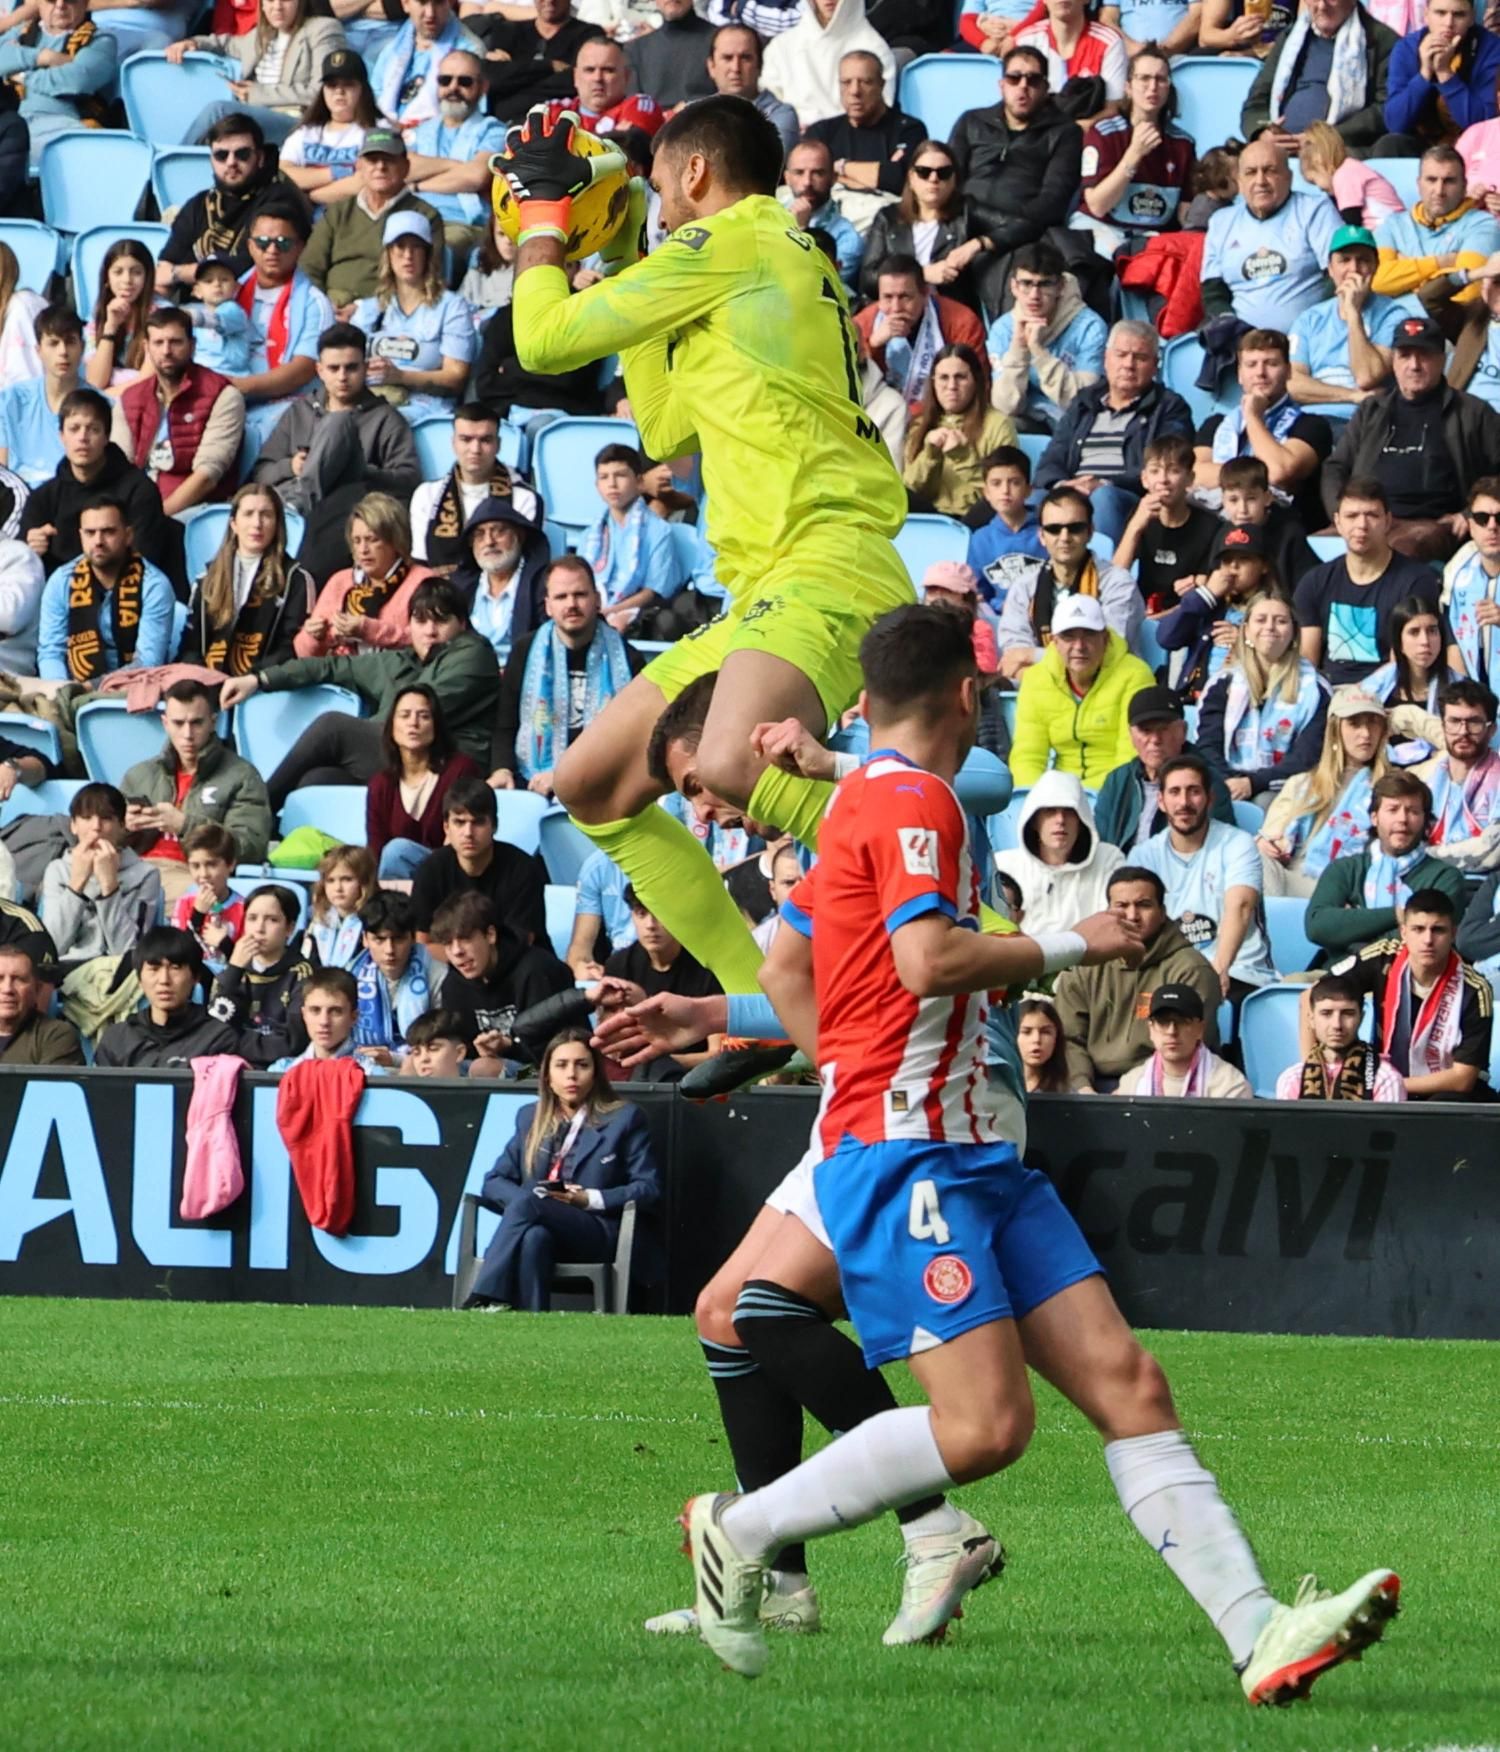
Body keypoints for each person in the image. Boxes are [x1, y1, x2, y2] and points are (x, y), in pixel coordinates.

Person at [678, 603, 1399, 1693]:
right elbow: (926, 960)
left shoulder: (862, 796)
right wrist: (1077, 938)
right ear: (971, 695)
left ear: (869, 707)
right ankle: (742, 1530)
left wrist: (826, 1048)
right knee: (985, 1428)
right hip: (913, 1152)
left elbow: (792, 970)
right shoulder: (909, 796)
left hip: (968, 1148)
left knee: (1128, 1384)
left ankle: (1260, 1635)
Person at [502, 94, 914, 998]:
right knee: (592, 782)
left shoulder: (733, 241)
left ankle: (954, 898)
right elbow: (662, 428)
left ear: (695, 174)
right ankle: (758, 1003)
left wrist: (541, 218)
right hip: (771, 581)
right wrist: (612, 249)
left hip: (826, 561)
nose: (654, 210)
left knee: (731, 760)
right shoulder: (754, 261)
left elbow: (542, 339)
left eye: (655, 191)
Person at [219, 578, 500, 787]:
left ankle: (255, 814)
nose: (429, 631)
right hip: (399, 760)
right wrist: (259, 679)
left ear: (461, 624)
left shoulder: (473, 652)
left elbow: (426, 709)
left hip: (448, 765)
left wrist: (358, 734)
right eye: (421, 621)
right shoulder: (399, 661)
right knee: (318, 780)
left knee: (334, 728)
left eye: (441, 621)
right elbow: (330, 666)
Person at [465, 1026, 659, 1308]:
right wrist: (531, 1202)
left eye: (582, 1065)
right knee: (534, 1237)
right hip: (543, 1224)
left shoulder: (625, 1118)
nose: (571, 1074)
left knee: (531, 1200)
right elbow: (494, 1180)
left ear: (595, 1073)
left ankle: (484, 1295)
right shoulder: (529, 1117)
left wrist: (588, 1198)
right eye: (561, 1065)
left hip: (597, 1230)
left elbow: (648, 1188)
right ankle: (532, 1327)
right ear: (547, 1076)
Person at [1324, 315, 1500, 559]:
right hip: (1369, 519)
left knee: (1401, 552)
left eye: (1424, 355)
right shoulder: (1371, 410)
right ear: (1394, 362)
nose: (1414, 365)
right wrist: (1344, 514)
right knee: (1313, 547)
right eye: (1405, 355)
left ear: (1442, 359)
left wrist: (1469, 514)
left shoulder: (1473, 412)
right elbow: (1335, 467)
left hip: (1432, 524)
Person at [252, 321, 421, 554]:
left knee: (339, 420)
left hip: (344, 515)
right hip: (286, 513)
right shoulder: (299, 411)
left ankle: (297, 505)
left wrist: (357, 469)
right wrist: (292, 466)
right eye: (334, 368)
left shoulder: (386, 418)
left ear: (365, 368)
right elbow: (261, 473)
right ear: (320, 370)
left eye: (351, 368)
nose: (342, 377)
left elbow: (409, 480)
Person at [1052, 865, 1222, 1091]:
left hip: (1162, 1088)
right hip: (1087, 1086)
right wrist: (1083, 1088)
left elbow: (1192, 1044)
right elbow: (1068, 1038)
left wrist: (1133, 1089)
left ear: (1162, 912)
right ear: (1108, 912)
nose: (1132, 916)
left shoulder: (1191, 969)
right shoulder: (1085, 965)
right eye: (1121, 906)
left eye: (1144, 905)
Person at [949, 47, 1085, 318]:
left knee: (1016, 272)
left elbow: (1051, 205)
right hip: (961, 222)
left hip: (1022, 234)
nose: (1023, 87)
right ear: (1002, 85)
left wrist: (986, 241)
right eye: (1014, 78)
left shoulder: (1065, 132)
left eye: (1033, 80)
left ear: (1046, 87)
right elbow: (949, 179)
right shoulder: (972, 121)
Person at [491, 555, 644, 795]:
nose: (571, 604)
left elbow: (634, 740)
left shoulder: (627, 659)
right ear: (548, 606)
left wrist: (565, 778)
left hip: (603, 786)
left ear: (597, 600)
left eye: (580, 595)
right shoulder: (524, 651)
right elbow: (505, 724)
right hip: (530, 779)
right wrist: (501, 768)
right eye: (561, 597)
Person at [1031, 320, 1193, 543]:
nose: (1129, 364)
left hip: (1127, 497)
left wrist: (1104, 484)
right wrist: (1062, 485)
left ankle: (1104, 572)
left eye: (1140, 358)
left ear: (1155, 366)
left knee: (1104, 497)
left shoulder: (1169, 407)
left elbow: (1167, 467)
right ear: (1106, 360)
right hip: (1074, 493)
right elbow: (1051, 459)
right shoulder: (1083, 403)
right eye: (1121, 354)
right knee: (1034, 499)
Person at [1134, 752, 1278, 996]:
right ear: (1160, 801)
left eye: (1194, 791)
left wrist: (1219, 969)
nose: (1184, 802)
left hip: (1239, 971)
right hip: (1170, 975)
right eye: (1175, 792)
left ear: (1210, 798)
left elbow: (1241, 907)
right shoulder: (1144, 855)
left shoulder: (1238, 844)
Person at [1327, 886, 1492, 1095]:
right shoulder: (1382, 958)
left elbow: (1463, 1079)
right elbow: (1311, 997)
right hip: (1383, 1083)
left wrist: (1388, 1088)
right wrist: (1317, 1069)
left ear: (1453, 934)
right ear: (1403, 932)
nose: (1428, 940)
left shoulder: (1475, 989)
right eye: (1418, 929)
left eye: (1438, 930)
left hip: (1448, 1095)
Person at [121, 679, 274, 903]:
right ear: (165, 723)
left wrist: (185, 825)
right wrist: (123, 828)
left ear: (213, 722)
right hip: (132, 869)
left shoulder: (242, 776)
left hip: (191, 875)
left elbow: (250, 847)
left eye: (196, 723)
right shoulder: (139, 775)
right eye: (178, 723)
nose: (187, 733)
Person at [21, 388, 182, 589]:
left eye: (93, 429)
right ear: (61, 436)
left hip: (127, 597)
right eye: (74, 428)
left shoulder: (139, 490)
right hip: (60, 602)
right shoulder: (42, 498)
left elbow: (146, 563)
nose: (83, 437)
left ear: (107, 437)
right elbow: (22, 574)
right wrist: (29, 551)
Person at [1295, 477, 1442, 684]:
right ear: (1337, 522)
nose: (1362, 525)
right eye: (1352, 516)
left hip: (1390, 693)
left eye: (1372, 515)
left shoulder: (1416, 580)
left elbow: (1405, 662)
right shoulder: (1315, 581)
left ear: (1388, 521)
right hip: (1328, 693)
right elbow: (1306, 661)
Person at [1306, 768, 1467, 952]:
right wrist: (1398, 915)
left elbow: (1424, 942)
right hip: (1337, 973)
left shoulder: (1445, 877)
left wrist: (1353, 925)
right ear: (1374, 818)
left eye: (1413, 811)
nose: (1402, 819)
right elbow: (1317, 927)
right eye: (1393, 810)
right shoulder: (1344, 869)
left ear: (1425, 821)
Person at [110, 309, 246, 522]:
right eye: (158, 343)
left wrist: (154, 517)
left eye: (175, 342)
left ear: (192, 346)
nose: (166, 351)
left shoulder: (223, 395)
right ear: (146, 347)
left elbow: (206, 477)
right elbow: (118, 468)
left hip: (199, 509)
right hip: (137, 506)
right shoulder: (130, 399)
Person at [226, 195, 336, 456]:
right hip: (230, 396)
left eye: (283, 243)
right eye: (263, 243)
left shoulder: (314, 303)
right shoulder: (227, 295)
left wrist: (237, 388)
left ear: (300, 247)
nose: (272, 251)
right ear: (250, 246)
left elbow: (303, 369)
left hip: (287, 403)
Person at [1257, 684, 1393, 895]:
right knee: (1253, 858)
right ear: (1335, 729)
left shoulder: (1394, 787)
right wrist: (1266, 844)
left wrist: (1405, 716)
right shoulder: (1301, 783)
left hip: (1349, 886)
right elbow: (1271, 836)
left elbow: (1452, 752)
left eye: (1374, 723)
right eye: (1354, 723)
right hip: (1294, 878)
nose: (1365, 733)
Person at [1194, 329, 1333, 534]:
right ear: (1240, 375)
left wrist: (1253, 417)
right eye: (1251, 365)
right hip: (1217, 528)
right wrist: (1254, 475)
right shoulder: (1215, 424)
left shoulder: (1311, 425)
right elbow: (1192, 475)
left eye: (1271, 363)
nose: (1260, 372)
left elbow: (1278, 472)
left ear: (1288, 371)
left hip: (1280, 533)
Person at [1196, 591, 1330, 801]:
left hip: (1285, 788)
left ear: (1294, 631)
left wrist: (1253, 783)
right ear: (1246, 630)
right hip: (1227, 782)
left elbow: (1307, 756)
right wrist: (1230, 782)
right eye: (1260, 620)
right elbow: (1207, 745)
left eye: (1281, 621)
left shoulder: (1315, 688)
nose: (1270, 627)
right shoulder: (1222, 683)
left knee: (1264, 801)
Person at [1009, 594, 1154, 788]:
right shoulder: (1037, 679)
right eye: (1069, 636)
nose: (1079, 646)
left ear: (1105, 638)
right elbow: (1027, 756)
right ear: (1054, 642)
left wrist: (1104, 802)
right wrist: (1035, 802)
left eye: (1089, 634)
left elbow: (1129, 755)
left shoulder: (1135, 675)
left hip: (1115, 793)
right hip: (1059, 797)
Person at [995, 487, 1143, 673]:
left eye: (1075, 528)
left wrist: (1032, 656)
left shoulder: (1119, 584)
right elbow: (1014, 655)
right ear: (1042, 536)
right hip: (1041, 689)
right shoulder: (1024, 586)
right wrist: (1028, 663)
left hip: (1108, 687)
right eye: (1054, 529)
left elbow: (1108, 652)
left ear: (1090, 532)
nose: (1064, 537)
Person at [1202, 140, 1341, 333]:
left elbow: (1338, 275)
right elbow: (1213, 291)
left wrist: (1312, 327)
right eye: (1251, 172)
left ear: (1288, 177)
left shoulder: (1315, 210)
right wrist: (1233, 329)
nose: (1260, 181)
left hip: (1308, 340)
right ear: (1239, 182)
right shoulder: (1221, 222)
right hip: (1244, 347)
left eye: (1270, 170)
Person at [348, 213, 476, 422]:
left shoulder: (452, 307)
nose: (408, 255)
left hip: (427, 407)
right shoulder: (371, 309)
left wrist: (401, 377)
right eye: (400, 246)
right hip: (374, 400)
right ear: (388, 253)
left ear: (427, 254)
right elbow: (346, 361)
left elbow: (455, 377)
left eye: (416, 247)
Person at [35, 496, 175, 685]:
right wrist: (63, 691)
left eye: (108, 532)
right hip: (71, 690)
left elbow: (148, 663)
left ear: (128, 535)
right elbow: (51, 652)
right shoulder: (61, 581)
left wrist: (92, 688)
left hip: (135, 691)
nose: (98, 541)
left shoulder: (154, 585)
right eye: (90, 533)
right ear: (81, 535)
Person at [300, 130, 445, 311]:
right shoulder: (338, 211)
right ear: (359, 166)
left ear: (406, 167)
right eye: (372, 160)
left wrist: (366, 309)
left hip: (390, 314)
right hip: (330, 309)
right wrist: (323, 307)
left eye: (389, 159)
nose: (380, 167)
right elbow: (309, 268)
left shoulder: (425, 215)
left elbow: (429, 279)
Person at [169, 0, 346, 147]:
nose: (277, 7)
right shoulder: (262, 34)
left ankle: (173, 166)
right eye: (269, 0)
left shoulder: (323, 29)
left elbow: (321, 92)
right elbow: (226, 43)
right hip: (257, 114)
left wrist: (256, 93)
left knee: (219, 111)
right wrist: (192, 42)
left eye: (285, 0)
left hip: (298, 121)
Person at [182, 483, 315, 674]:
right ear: (234, 524)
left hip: (263, 684)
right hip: (208, 681)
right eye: (248, 514)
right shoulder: (206, 579)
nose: (257, 523)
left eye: (266, 515)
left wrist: (252, 680)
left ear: (277, 524)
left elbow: (291, 648)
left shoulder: (296, 580)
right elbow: (190, 648)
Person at [1240, 0, 1399, 155]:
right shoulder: (1290, 38)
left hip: (1339, 150)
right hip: (1278, 150)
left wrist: (1324, 138)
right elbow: (1256, 101)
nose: (1322, 6)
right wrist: (1262, 133)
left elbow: (1384, 110)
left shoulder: (1382, 41)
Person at [1077, 47, 1195, 253]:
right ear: (1128, 87)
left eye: (1161, 80)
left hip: (1152, 237)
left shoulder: (1183, 144)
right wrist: (1134, 155)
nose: (1152, 87)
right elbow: (1097, 205)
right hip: (1100, 227)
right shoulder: (1103, 133)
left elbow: (1185, 215)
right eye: (1144, 79)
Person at [430, 889, 572, 1057]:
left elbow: (553, 1055)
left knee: (485, 1069)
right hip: (482, 1076)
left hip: (540, 1072)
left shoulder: (537, 970)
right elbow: (463, 1053)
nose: (457, 951)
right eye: (447, 944)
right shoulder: (453, 985)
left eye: (466, 939)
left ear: (490, 935)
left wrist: (509, 1048)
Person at [601, 885, 722, 1080]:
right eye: (641, 914)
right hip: (634, 1077)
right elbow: (611, 1047)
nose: (651, 924)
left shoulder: (708, 968)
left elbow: (716, 1054)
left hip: (695, 1078)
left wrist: (658, 1064)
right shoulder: (619, 965)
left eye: (661, 914)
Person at [295, 491, 435, 657]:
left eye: (372, 539)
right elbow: (302, 653)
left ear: (395, 541)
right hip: (340, 676)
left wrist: (368, 629)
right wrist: (313, 637)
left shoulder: (423, 581)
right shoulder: (340, 581)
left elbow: (430, 639)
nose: (363, 550)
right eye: (357, 541)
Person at [39, 781, 163, 966]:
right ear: (73, 825)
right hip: (67, 971)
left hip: (119, 971)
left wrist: (109, 886)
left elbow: (130, 950)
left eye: (106, 818)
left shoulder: (146, 874)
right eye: (87, 817)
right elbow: (52, 949)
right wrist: (76, 885)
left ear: (122, 825)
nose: (96, 827)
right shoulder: (58, 870)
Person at [802, 49, 926, 233]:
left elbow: (899, 180)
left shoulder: (909, 130)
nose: (854, 91)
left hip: (885, 229)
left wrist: (840, 168)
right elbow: (809, 182)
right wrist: (876, 176)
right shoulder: (822, 131)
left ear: (881, 85)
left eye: (865, 82)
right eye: (846, 82)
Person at [366, 683, 481, 877]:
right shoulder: (381, 784)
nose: (413, 723)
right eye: (404, 715)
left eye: (424, 716)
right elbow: (376, 852)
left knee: (397, 852)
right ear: (392, 726)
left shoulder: (461, 770)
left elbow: (464, 837)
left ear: (436, 725)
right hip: (398, 884)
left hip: (453, 874)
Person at [409, 403, 540, 572]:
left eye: (485, 440)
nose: (475, 449)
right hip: (441, 594)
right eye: (466, 439)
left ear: (498, 445)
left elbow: (525, 570)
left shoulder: (524, 498)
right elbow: (421, 566)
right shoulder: (426, 495)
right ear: (453, 443)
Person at [402, 49, 505, 262]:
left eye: (464, 82)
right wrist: (457, 166)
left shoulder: (493, 130)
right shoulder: (422, 129)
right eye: (445, 80)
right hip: (413, 217)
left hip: (462, 223)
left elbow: (476, 176)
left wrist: (419, 185)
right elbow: (405, 169)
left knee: (433, 250)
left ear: (483, 87)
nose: (453, 88)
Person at [157, 114, 282, 289]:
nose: (231, 162)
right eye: (221, 155)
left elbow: (248, 266)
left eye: (242, 154)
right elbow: (163, 270)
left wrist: (180, 273)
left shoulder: (278, 202)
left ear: (260, 158)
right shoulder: (198, 204)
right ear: (211, 160)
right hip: (191, 309)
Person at [1287, 223, 1404, 408]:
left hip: (1364, 421)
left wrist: (1353, 312)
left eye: (1363, 260)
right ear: (1331, 269)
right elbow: (1291, 383)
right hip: (1313, 421)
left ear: (1376, 266)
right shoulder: (1309, 318)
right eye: (1344, 260)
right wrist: (1351, 395)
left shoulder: (1394, 315)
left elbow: (1366, 377)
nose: (1354, 268)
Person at [993, 771, 1124, 936]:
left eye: (1069, 811)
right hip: (1021, 959)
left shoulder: (1108, 859)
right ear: (1034, 820)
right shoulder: (1003, 865)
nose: (1060, 820)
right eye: (1050, 811)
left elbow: (1112, 925)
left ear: (1082, 819)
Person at [95, 928, 243, 1067]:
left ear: (196, 976)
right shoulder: (116, 1038)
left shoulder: (218, 1038)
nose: (164, 980)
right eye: (154, 969)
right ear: (139, 979)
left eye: (175, 968)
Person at [853, 256, 987, 409]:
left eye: (905, 297)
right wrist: (873, 345)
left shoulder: (961, 321)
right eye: (888, 297)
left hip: (945, 417)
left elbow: (977, 386)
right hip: (880, 418)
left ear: (925, 292)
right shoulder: (862, 324)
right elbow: (850, 389)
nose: (896, 308)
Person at [1372, 144, 1500, 303]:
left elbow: (1465, 295)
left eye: (1449, 181)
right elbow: (1376, 282)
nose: (1439, 191)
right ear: (1419, 184)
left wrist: (1405, 278)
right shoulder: (1392, 224)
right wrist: (1441, 262)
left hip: (1448, 325)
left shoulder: (1483, 225)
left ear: (1464, 186)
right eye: (1431, 180)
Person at [0, 0, 118, 169]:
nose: (60, 5)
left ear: (85, 4)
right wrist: (43, 57)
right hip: (9, 125)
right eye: (51, 0)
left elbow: (75, 81)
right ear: (39, 4)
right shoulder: (21, 32)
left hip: (60, 125)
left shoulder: (100, 40)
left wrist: (21, 75)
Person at [861, 141, 976, 312]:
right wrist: (922, 275)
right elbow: (868, 279)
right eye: (924, 172)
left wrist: (978, 243)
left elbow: (1020, 225)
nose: (933, 179)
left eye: (943, 173)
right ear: (911, 178)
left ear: (954, 179)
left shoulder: (967, 213)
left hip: (947, 314)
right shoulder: (888, 217)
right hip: (894, 312)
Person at [1113, 434, 1220, 618]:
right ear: (1145, 479)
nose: (1163, 479)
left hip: (1186, 618)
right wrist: (1135, 527)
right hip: (1142, 613)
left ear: (1190, 479)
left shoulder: (1210, 527)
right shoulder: (1139, 517)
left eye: (1174, 471)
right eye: (1155, 471)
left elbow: (1207, 593)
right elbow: (1115, 578)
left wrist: (1158, 618)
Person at [1375, 0, 1500, 156]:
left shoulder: (1492, 49)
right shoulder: (1406, 48)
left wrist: (1444, 73)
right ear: (1426, 15)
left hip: (1474, 148)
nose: (1448, 23)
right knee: (1389, 144)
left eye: (1459, 14)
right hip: (1422, 145)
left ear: (1472, 17)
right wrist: (1425, 74)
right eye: (1440, 13)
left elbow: (1485, 126)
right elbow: (1395, 123)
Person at [902, 346, 1014, 519]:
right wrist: (929, 455)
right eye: (943, 378)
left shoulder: (998, 424)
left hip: (974, 517)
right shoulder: (919, 424)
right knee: (896, 493)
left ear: (975, 381)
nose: (951, 386)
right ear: (933, 382)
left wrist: (963, 457)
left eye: (960, 377)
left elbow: (1003, 492)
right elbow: (910, 488)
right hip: (931, 518)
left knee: (992, 503)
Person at [207, 883, 314, 1063]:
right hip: (232, 1067)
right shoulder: (232, 972)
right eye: (252, 918)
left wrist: (236, 1043)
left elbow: (293, 1043)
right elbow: (214, 1032)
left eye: (272, 920)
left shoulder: (303, 974)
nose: (259, 929)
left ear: (290, 928)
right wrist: (234, 970)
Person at [583, 442, 681, 632]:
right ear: (597, 485)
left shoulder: (659, 531)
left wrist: (610, 611)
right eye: (604, 477)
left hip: (639, 613)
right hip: (595, 609)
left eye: (620, 475)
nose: (612, 484)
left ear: (639, 482)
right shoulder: (590, 534)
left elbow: (651, 593)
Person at [761, 0, 893, 131]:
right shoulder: (781, 46)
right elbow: (767, 105)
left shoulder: (875, 48)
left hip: (849, 144)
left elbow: (879, 113)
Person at [1275, 972, 1407, 1099]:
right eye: (1326, 1013)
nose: (1336, 1025)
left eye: (1347, 1013)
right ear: (1311, 1019)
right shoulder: (1293, 1079)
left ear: (1361, 1018)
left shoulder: (1385, 1079)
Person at [1115, 981, 1252, 1098]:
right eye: (1163, 1022)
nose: (1172, 1031)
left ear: (1200, 1029)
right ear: (1151, 1030)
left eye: (1182, 1021)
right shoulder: (1131, 1084)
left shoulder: (1230, 1086)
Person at [277, 46, 378, 202]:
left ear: (363, 89)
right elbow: (284, 174)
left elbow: (365, 182)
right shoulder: (305, 133)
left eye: (348, 84)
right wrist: (337, 173)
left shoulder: (377, 129)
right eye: (332, 85)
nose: (339, 91)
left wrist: (311, 196)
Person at [479, 0, 605, 124]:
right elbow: (491, 78)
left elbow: (576, 81)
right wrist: (548, 66)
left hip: (559, 122)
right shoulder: (508, 31)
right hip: (506, 123)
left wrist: (514, 74)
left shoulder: (589, 34)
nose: (550, 1)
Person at [1364, 592, 1456, 762]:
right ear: (1399, 642)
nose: (1425, 641)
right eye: (1414, 632)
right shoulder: (1374, 687)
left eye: (1432, 631)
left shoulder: (1461, 689)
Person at [0, 303, 84, 489]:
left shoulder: (102, 406)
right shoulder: (10, 401)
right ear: (39, 351)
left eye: (70, 342)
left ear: (82, 347)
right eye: (53, 343)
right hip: (19, 505)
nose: (63, 352)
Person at [369, 0, 484, 129]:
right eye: (422, 2)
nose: (430, 13)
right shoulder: (391, 51)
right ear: (405, 4)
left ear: (450, 3)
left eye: (438, 3)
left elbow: (469, 118)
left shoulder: (470, 51)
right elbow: (373, 104)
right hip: (386, 138)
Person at [350, 890, 437, 1061]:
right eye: (379, 940)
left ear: (413, 938)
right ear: (365, 939)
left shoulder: (436, 973)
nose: (389, 950)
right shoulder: (349, 975)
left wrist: (394, 1060)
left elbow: (442, 1047)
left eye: (398, 939)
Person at [1413, 675, 1500, 844]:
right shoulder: (1424, 778)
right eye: (1454, 721)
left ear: (1491, 730)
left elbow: (1493, 851)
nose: (1463, 732)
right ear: (1443, 726)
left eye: (1474, 722)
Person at [1014, 0, 1128, 115]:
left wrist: (1073, 131)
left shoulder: (1110, 42)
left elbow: (1112, 108)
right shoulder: (1026, 41)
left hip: (1088, 127)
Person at [781, 140, 863, 296]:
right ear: (787, 177)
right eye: (799, 172)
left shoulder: (847, 237)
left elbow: (817, 290)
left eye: (818, 173)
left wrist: (799, 232)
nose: (807, 182)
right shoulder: (767, 213)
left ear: (834, 177)